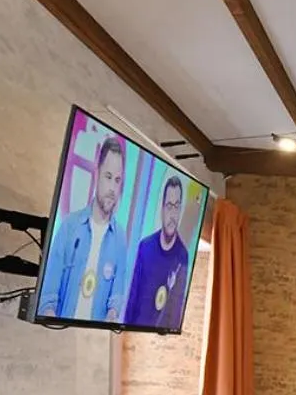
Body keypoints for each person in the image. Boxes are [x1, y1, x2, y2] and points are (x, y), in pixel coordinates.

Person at [38, 134, 131, 322]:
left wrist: (111, 317)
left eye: (118, 180)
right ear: (97, 174)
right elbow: (47, 297)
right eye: (108, 177)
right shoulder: (69, 226)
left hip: (93, 339)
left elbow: (116, 298)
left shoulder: (120, 238)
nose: (112, 187)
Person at [122, 173, 193, 329]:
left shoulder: (183, 256)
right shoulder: (145, 247)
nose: (172, 214)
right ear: (162, 208)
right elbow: (132, 300)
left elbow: (176, 313)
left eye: (176, 206)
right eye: (169, 206)